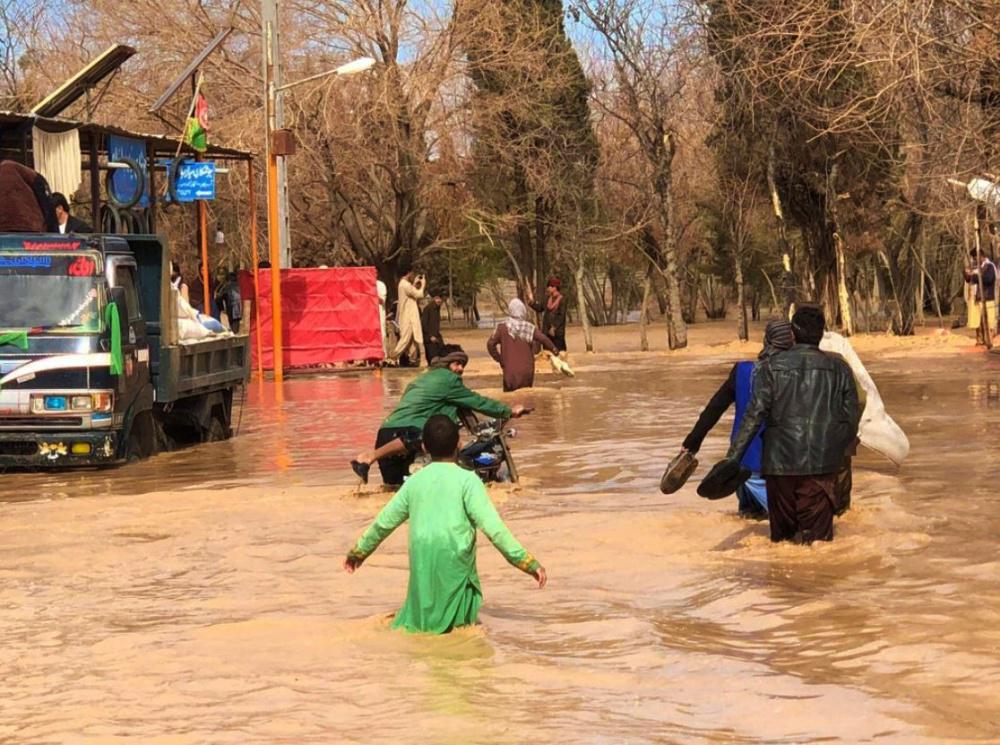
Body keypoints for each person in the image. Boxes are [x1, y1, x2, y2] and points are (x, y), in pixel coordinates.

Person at [344, 415, 546, 634]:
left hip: (423, 557)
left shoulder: (415, 482)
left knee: (422, 623)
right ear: (458, 444)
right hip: (454, 559)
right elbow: (495, 530)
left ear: (424, 446)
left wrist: (358, 552)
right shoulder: (469, 481)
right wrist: (527, 563)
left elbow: (383, 523)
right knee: (459, 630)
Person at [720, 305, 860, 544]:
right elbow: (850, 419)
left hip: (778, 467)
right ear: (821, 334)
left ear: (793, 334)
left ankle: (783, 580)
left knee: (783, 543)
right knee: (818, 545)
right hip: (820, 467)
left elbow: (754, 416)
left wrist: (732, 459)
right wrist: (834, 457)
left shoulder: (771, 368)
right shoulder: (840, 369)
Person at [351, 345, 529, 485]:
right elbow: (478, 402)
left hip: (385, 435)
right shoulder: (448, 379)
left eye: (463, 365)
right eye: (457, 363)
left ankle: (372, 458)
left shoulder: (420, 380)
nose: (460, 369)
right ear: (445, 363)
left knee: (396, 491)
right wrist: (509, 411)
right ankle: (369, 456)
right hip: (408, 437)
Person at [680, 319, 795, 518]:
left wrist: (692, 443)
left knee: (749, 519)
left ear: (766, 341)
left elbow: (714, 409)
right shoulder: (794, 375)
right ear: (791, 344)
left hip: (739, 465)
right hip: (776, 466)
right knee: (793, 525)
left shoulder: (742, 371)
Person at [487, 298, 559, 392]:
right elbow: (543, 339)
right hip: (527, 372)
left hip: (510, 372)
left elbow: (490, 344)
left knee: (510, 401)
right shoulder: (529, 327)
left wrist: (500, 359)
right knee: (527, 400)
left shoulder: (502, 328)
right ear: (523, 311)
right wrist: (555, 350)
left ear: (510, 311)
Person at [391, 269, 426, 366]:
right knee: (405, 339)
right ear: (408, 273)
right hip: (408, 317)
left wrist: (414, 284)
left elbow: (411, 294)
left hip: (409, 315)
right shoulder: (405, 284)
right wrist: (423, 284)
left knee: (413, 340)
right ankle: (393, 357)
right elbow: (419, 294)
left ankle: (413, 360)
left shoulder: (404, 285)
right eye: (412, 274)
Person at [964, 249, 997, 346]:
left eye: (975, 257)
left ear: (981, 256)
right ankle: (980, 339)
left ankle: (989, 339)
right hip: (976, 297)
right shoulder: (974, 267)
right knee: (976, 320)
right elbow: (968, 280)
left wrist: (974, 276)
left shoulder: (990, 266)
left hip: (987, 297)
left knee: (989, 320)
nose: (974, 260)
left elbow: (988, 279)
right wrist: (967, 273)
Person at [529, 277, 567, 355]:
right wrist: (532, 302)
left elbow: (561, 316)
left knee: (559, 354)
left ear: (554, 288)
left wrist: (554, 328)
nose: (548, 288)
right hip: (547, 333)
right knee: (548, 354)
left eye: (549, 287)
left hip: (557, 334)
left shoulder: (562, 300)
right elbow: (540, 308)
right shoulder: (547, 299)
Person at [421, 293, 445, 364]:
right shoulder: (428, 309)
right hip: (429, 338)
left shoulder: (437, 309)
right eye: (438, 299)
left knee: (442, 353)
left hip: (436, 336)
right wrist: (430, 336)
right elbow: (424, 324)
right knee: (432, 359)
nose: (439, 301)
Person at [376, 276, 388, 358]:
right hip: (367, 315)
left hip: (379, 313)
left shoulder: (380, 285)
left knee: (382, 334)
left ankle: (383, 355)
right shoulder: (364, 284)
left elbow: (382, 300)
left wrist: (372, 293)